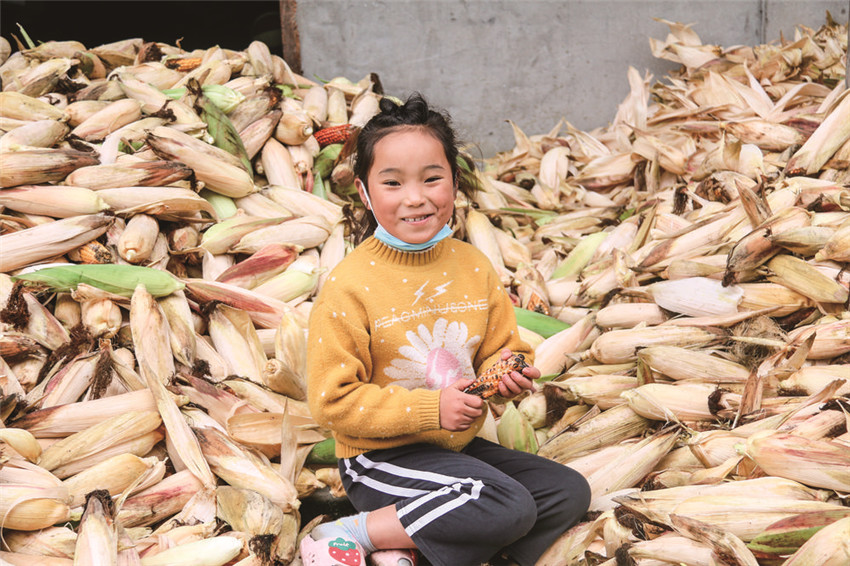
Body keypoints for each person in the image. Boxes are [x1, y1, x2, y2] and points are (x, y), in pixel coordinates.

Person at [301, 92, 590, 566]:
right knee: (505, 504)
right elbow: (332, 402)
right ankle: (351, 531)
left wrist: (509, 371)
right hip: (380, 459)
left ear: (454, 182)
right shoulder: (349, 286)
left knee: (567, 491)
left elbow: (502, 347)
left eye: (432, 178)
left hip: (457, 450)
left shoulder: (472, 264)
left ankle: (437, 552)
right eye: (392, 183)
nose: (415, 197)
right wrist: (431, 409)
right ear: (365, 193)